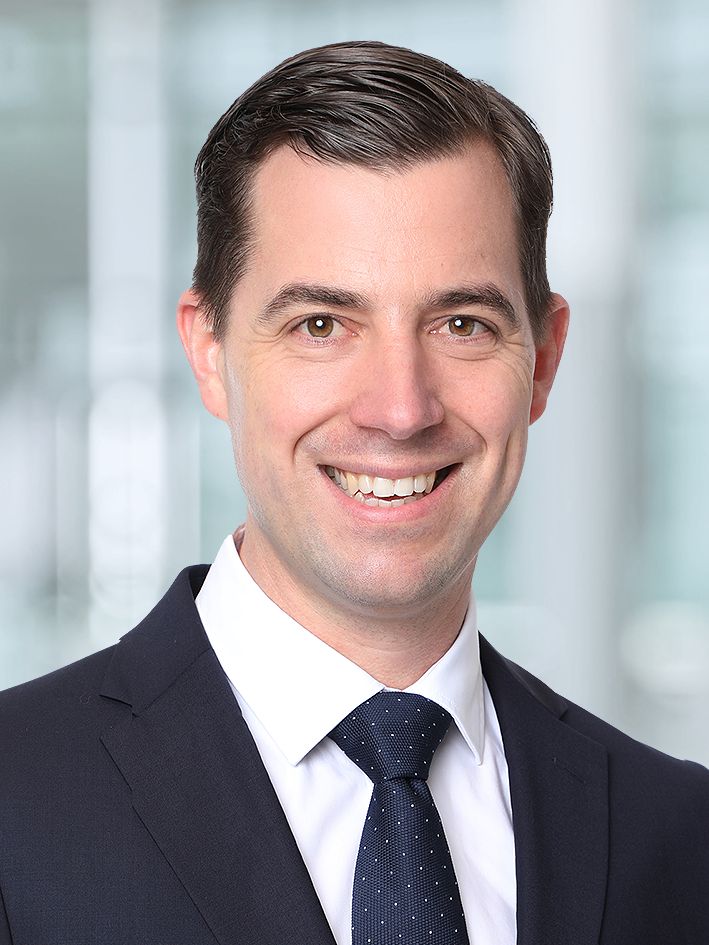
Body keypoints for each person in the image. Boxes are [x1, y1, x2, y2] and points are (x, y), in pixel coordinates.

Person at [0, 40, 707, 945]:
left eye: (461, 323)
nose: (399, 409)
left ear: (542, 358)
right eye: (321, 324)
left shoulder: (677, 834)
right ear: (209, 352)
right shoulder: (16, 800)